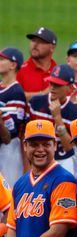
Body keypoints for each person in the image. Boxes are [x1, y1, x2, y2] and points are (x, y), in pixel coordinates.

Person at [27, 64, 77, 175]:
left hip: (63, 162)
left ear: (70, 87)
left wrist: (57, 118)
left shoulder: (75, 113)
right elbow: (26, 137)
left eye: (57, 85)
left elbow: (69, 147)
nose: (52, 87)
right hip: (37, 160)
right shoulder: (36, 103)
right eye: (51, 82)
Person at [0, 47, 27, 185]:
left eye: (2, 59)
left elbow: (11, 132)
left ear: (13, 65)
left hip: (8, 150)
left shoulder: (16, 92)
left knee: (8, 190)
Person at [18, 27, 57, 99]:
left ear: (52, 48)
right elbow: (12, 97)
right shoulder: (19, 70)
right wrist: (43, 94)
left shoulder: (58, 72)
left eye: (41, 42)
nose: (35, 45)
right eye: (33, 41)